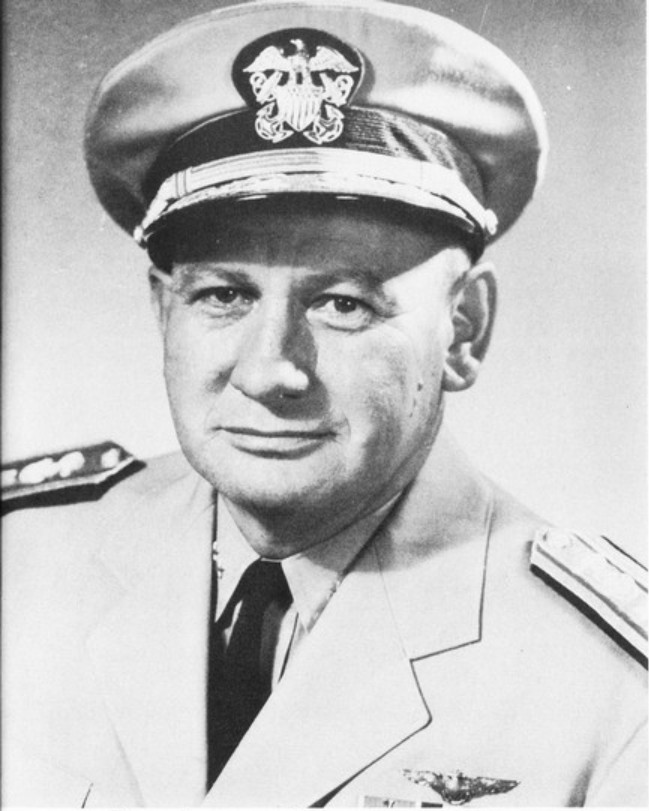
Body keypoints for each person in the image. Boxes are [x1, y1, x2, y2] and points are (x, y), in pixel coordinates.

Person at [2, 0, 646, 807]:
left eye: (343, 303)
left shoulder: (610, 689)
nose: (270, 370)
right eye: (223, 294)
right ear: (163, 311)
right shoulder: (23, 562)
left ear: (463, 329)